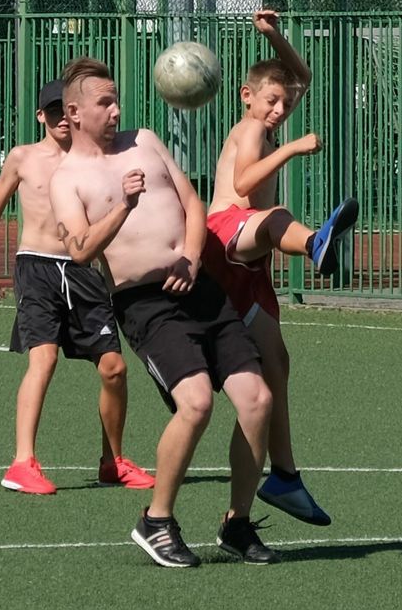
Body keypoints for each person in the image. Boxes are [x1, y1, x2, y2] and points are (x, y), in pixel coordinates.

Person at [50, 55, 281, 568]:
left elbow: (193, 203)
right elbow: (81, 250)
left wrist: (193, 256)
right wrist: (124, 206)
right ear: (75, 112)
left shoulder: (146, 141)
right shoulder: (66, 179)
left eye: (116, 101)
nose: (115, 111)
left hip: (199, 286)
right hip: (145, 303)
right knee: (195, 403)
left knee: (258, 399)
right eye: (104, 103)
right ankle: (156, 521)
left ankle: (237, 524)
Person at [202, 9, 358, 525]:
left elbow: (302, 76)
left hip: (252, 263)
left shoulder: (269, 120)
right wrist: (291, 147)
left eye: (286, 104)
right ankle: (314, 243)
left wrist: (274, 35)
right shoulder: (250, 128)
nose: (280, 108)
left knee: (277, 363)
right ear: (246, 96)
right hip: (227, 235)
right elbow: (243, 185)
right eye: (271, 100)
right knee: (275, 217)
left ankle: (285, 476)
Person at [0, 79, 154, 494]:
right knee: (44, 360)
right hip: (36, 267)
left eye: (65, 111)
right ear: (41, 115)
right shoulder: (23, 157)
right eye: (52, 111)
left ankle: (112, 461)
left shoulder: (93, 161)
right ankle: (22, 463)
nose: (60, 119)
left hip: (83, 272)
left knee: (114, 368)